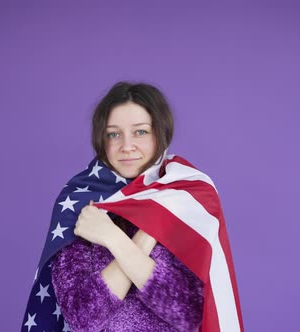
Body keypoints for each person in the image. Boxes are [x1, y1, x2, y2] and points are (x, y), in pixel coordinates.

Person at [21, 82, 244, 332]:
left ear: (161, 133)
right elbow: (82, 317)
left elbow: (190, 312)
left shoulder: (185, 198)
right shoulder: (80, 201)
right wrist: (145, 239)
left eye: (140, 132)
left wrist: (115, 237)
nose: (126, 146)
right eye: (114, 134)